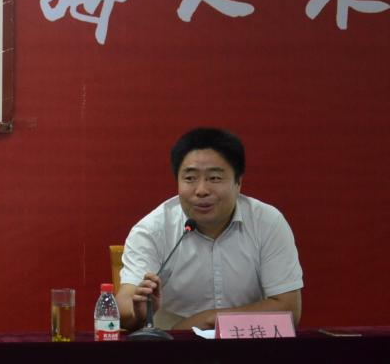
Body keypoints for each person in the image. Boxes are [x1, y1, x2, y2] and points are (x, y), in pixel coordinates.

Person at [116, 127, 303, 331]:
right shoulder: (152, 230)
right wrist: (138, 312)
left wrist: (208, 320)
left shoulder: (267, 223)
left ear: (238, 182)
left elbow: (289, 310)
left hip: (245, 341)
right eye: (190, 178)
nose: (202, 190)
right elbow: (125, 303)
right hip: (174, 344)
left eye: (214, 178)